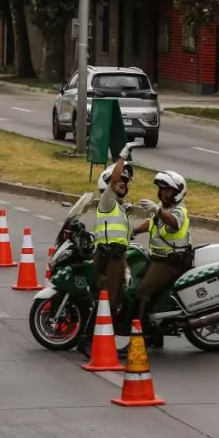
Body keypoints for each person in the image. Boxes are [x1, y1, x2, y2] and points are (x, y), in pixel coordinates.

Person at [78, 142, 138, 357]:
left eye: (125, 182)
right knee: (107, 300)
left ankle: (102, 340)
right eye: (120, 180)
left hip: (117, 258)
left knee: (114, 299)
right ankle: (87, 341)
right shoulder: (106, 201)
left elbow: (125, 236)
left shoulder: (119, 208)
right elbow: (113, 180)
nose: (123, 183)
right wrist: (122, 156)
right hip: (108, 257)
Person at [131, 171, 192, 349]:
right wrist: (133, 231)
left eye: (169, 190)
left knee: (142, 292)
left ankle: (138, 341)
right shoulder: (164, 208)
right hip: (159, 258)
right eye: (162, 189)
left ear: (177, 192)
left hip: (170, 262)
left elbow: (173, 223)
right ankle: (154, 336)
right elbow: (152, 223)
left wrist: (157, 210)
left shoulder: (179, 210)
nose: (164, 193)